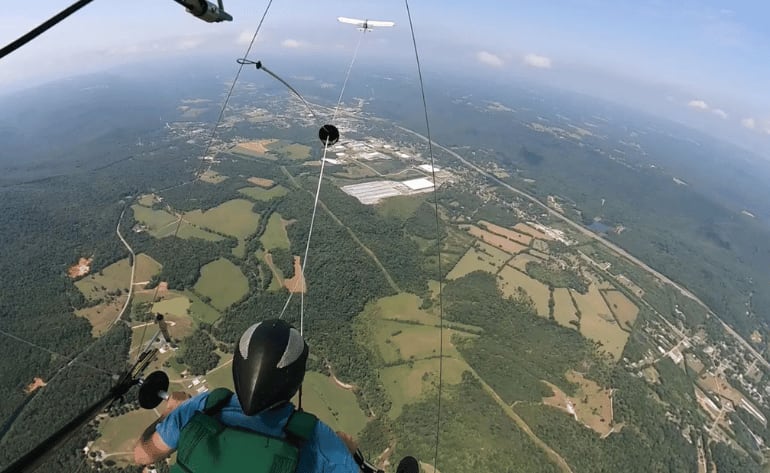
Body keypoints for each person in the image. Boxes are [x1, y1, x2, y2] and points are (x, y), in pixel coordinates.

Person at [134, 319, 361, 472]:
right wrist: (348, 454)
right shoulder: (317, 440)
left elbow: (142, 456)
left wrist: (169, 413)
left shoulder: (205, 406)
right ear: (295, 382)